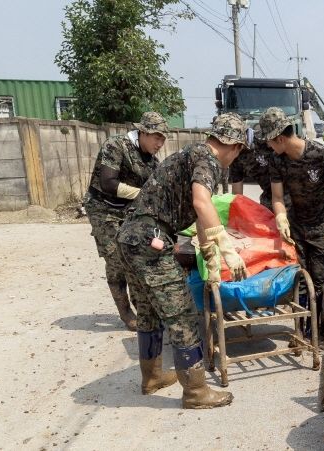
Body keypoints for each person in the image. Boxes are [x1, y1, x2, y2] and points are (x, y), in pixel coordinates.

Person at [116, 113, 248, 409]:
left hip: (130, 239)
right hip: (149, 243)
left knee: (149, 312)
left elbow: (202, 213)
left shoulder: (192, 154)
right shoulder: (208, 159)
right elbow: (202, 202)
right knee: (184, 316)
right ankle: (196, 392)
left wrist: (211, 258)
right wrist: (227, 247)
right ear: (236, 146)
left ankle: (151, 378)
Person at [259, 107, 324, 329]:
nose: (268, 146)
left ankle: (319, 328)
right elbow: (277, 196)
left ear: (280, 139)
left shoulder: (319, 153)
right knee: (299, 278)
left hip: (320, 225)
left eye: (270, 142)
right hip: (295, 226)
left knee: (319, 278)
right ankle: (303, 329)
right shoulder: (277, 160)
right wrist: (281, 218)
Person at [83, 111, 168, 331]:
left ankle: (142, 309)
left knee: (135, 256)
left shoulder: (152, 162)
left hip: (128, 211)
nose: (160, 143)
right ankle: (126, 313)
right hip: (103, 208)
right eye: (156, 136)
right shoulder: (116, 146)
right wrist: (142, 194)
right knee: (116, 260)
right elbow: (108, 183)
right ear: (142, 132)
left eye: (163, 138)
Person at [229, 132, 291, 212]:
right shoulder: (236, 157)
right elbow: (237, 194)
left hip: (291, 193)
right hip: (269, 197)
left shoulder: (265, 140)